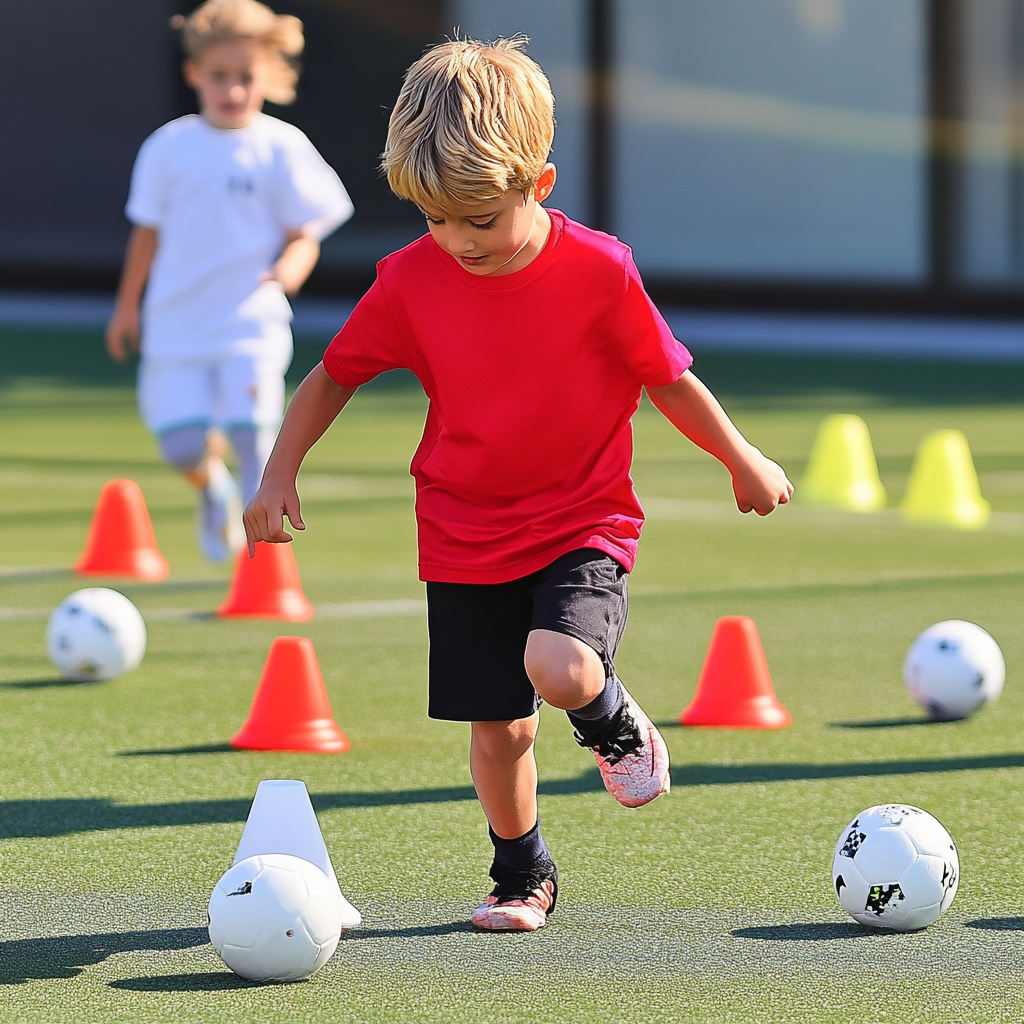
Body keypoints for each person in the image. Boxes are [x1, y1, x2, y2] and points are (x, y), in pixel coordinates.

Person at [243, 37, 793, 931]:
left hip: (583, 515)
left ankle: (615, 723)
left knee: (561, 666)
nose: (459, 243)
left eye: (480, 221)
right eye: (435, 221)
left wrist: (741, 458)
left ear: (539, 184)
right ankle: (521, 873)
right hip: (460, 527)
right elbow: (335, 372)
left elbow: (667, 376)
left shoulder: (599, 270)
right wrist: (279, 471)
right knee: (501, 729)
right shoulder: (410, 280)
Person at [106, 0, 353, 561]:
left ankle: (259, 565)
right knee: (182, 447)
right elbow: (145, 235)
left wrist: (288, 271)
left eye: (246, 77)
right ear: (194, 74)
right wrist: (127, 307)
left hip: (251, 324)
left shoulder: (282, 146)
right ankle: (210, 489)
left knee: (251, 432)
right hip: (177, 327)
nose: (234, 90)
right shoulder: (167, 148)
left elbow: (306, 231)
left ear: (267, 77)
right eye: (220, 76)